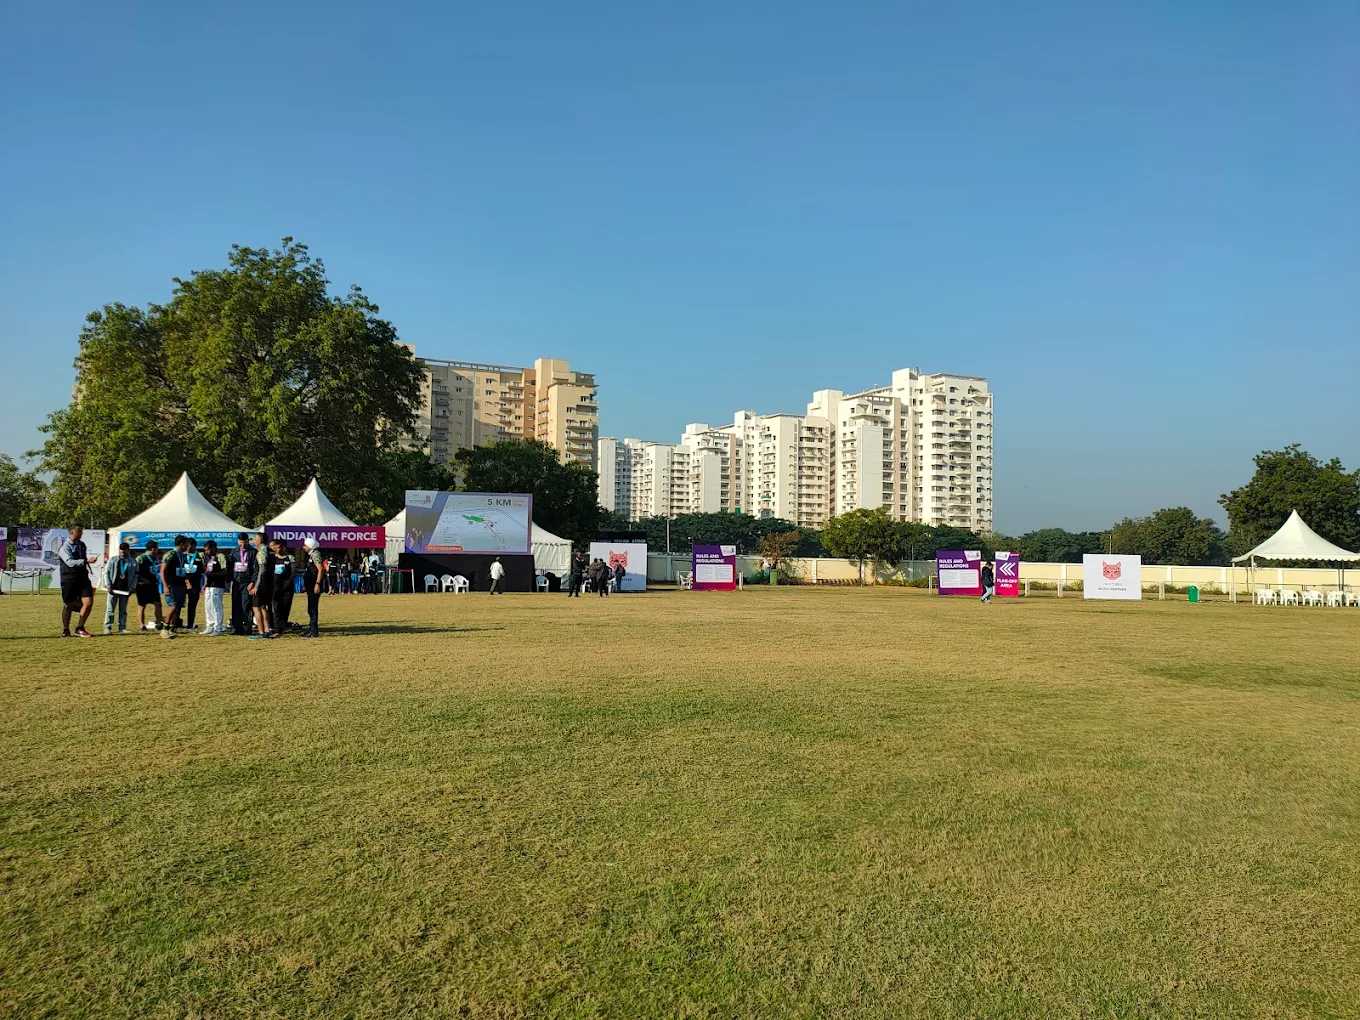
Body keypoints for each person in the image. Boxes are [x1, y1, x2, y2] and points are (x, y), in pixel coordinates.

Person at [57, 525, 98, 638]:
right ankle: (66, 629)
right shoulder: (64, 547)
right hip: (69, 578)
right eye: (79, 532)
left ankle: (80, 628)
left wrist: (87, 562)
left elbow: (83, 560)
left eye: (81, 532)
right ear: (71, 533)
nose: (81, 534)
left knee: (88, 602)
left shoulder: (82, 545)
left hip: (83, 577)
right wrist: (86, 561)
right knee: (68, 605)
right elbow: (70, 562)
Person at [102, 542, 136, 634]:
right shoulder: (113, 560)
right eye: (121, 550)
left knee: (123, 610)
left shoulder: (133, 562)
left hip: (125, 590)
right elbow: (107, 572)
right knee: (110, 609)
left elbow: (135, 576)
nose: (122, 552)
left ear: (128, 550)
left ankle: (122, 627)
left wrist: (132, 588)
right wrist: (108, 585)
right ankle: (107, 627)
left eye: (124, 550)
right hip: (113, 588)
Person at [160, 535, 190, 636]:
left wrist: (186, 581)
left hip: (180, 584)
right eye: (186, 544)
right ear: (181, 544)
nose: (187, 547)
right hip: (171, 585)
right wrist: (165, 585)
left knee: (178, 607)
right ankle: (164, 628)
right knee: (173, 606)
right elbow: (162, 570)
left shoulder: (182, 555)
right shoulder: (170, 555)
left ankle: (173, 628)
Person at [134, 541, 164, 633]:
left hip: (153, 585)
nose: (158, 550)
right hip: (142, 586)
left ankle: (159, 624)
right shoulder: (141, 558)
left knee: (158, 604)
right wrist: (142, 579)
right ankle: (142, 625)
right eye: (157, 548)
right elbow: (135, 572)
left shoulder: (156, 558)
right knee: (142, 605)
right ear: (153, 549)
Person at [248, 532, 273, 640]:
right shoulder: (270, 551)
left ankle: (261, 632)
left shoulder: (261, 552)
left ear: (259, 541)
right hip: (268, 583)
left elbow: (262, 570)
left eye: (255, 539)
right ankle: (267, 630)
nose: (254, 541)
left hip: (262, 584)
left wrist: (256, 586)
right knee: (263, 607)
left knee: (256, 608)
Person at [201, 540, 229, 636]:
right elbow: (206, 573)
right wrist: (205, 583)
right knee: (208, 606)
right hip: (209, 585)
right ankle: (210, 625)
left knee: (217, 607)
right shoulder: (208, 558)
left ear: (214, 548)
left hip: (217, 585)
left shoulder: (220, 556)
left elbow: (225, 571)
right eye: (205, 550)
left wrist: (212, 575)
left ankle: (218, 628)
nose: (206, 552)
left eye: (208, 550)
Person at [229, 533, 254, 635]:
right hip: (236, 582)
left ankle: (247, 627)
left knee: (246, 605)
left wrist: (253, 581)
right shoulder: (234, 552)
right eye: (240, 542)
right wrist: (229, 581)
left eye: (244, 542)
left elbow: (255, 569)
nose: (242, 544)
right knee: (235, 605)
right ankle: (236, 627)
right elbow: (230, 568)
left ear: (248, 541)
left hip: (247, 583)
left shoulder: (253, 552)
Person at [269, 539, 295, 635]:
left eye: (278, 547)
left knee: (285, 607)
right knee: (276, 608)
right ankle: (276, 629)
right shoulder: (272, 558)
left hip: (287, 588)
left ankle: (283, 626)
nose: (276, 549)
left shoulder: (290, 558)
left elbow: (293, 572)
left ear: (283, 547)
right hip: (275, 587)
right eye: (274, 548)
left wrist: (288, 582)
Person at [302, 536, 324, 638]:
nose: (303, 547)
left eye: (305, 545)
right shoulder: (311, 555)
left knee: (313, 608)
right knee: (310, 608)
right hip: (310, 585)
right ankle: (311, 628)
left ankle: (314, 631)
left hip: (314, 585)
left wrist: (317, 583)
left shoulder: (316, 555)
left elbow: (320, 569)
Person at [182, 537, 203, 631]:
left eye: (190, 546)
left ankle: (190, 625)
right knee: (178, 604)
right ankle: (176, 624)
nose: (188, 548)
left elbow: (204, 570)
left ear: (194, 546)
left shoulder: (199, 556)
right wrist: (186, 581)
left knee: (192, 605)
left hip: (195, 584)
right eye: (187, 546)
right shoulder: (182, 556)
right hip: (182, 584)